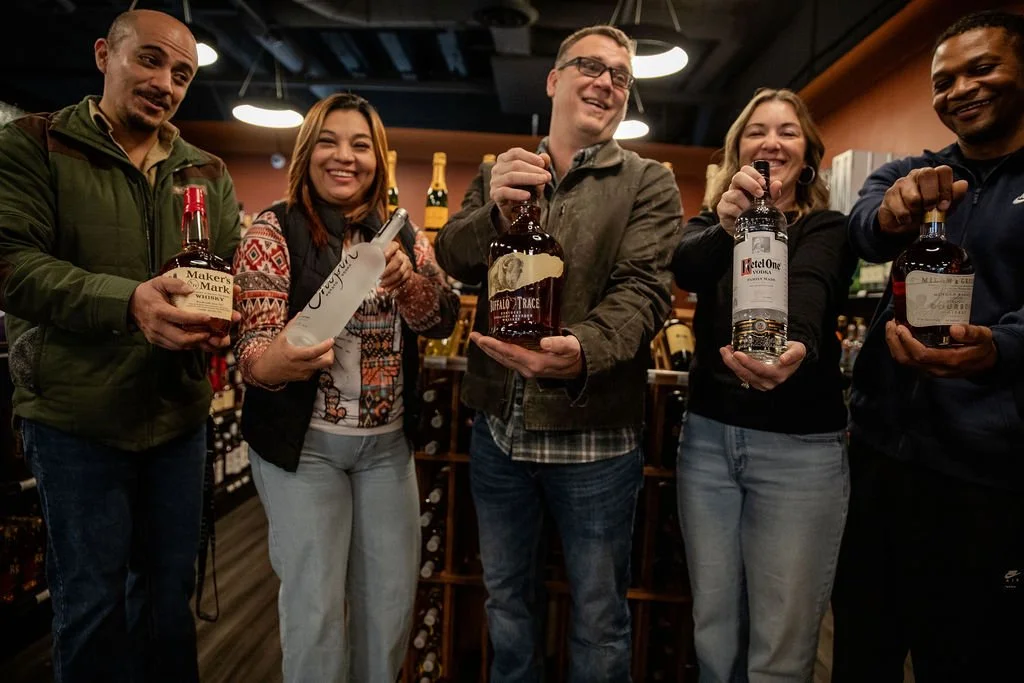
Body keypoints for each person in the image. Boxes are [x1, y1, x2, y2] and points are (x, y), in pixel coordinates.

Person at [434, 24, 682, 683]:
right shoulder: (500, 172)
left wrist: (582, 352)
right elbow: (455, 261)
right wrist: (495, 211)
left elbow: (645, 291)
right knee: (508, 605)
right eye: (590, 67)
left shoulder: (648, 182)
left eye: (620, 77)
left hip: (596, 442)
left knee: (600, 619)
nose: (606, 82)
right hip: (499, 435)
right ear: (553, 80)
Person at [0, 10, 240, 683]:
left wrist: (222, 318)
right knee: (91, 605)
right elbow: (10, 262)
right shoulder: (34, 143)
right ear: (105, 53)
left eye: (183, 74)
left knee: (168, 602)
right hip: (76, 418)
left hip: (176, 415)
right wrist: (128, 302)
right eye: (151, 61)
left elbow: (213, 276)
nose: (166, 83)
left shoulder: (207, 170)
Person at [233, 92, 459, 683]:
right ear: (308, 151)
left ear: (377, 158)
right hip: (303, 450)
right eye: (330, 141)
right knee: (315, 613)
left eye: (360, 145)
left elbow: (439, 319)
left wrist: (409, 279)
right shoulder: (272, 230)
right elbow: (252, 355)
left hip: (386, 451)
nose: (345, 157)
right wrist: (280, 359)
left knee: (388, 611)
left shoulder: (404, 236)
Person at [831, 10, 1024, 682]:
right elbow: (864, 225)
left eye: (982, 68)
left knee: (966, 660)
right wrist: (893, 213)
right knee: (861, 649)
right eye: (943, 81)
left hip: (986, 478)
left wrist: (999, 347)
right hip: (883, 461)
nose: (961, 89)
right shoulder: (917, 173)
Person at [671, 88, 854, 682]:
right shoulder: (712, 224)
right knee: (714, 632)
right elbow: (686, 265)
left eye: (788, 131)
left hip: (799, 450)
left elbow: (809, 285)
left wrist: (792, 346)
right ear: (738, 151)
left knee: (780, 645)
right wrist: (726, 225)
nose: (771, 141)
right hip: (708, 442)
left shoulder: (826, 225)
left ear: (809, 155)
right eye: (756, 131)